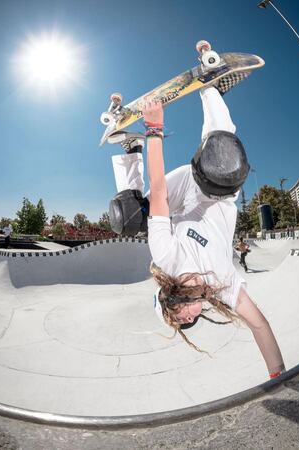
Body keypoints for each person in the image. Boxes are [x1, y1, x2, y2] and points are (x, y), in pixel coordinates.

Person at [109, 86, 285, 379]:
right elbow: (259, 325)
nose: (191, 319)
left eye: (182, 320)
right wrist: (278, 375)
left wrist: (154, 128)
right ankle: (212, 91)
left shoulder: (166, 257)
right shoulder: (224, 287)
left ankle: (131, 150)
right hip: (217, 191)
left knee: (125, 219)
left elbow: (161, 190)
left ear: (170, 300)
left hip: (180, 191)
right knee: (226, 167)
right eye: (191, 322)